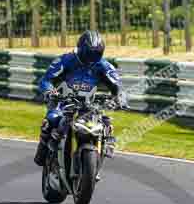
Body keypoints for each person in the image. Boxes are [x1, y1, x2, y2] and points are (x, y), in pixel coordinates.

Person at [34, 30, 128, 166]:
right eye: (88, 54)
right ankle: (42, 152)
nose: (91, 58)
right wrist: (49, 92)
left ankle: (106, 146)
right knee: (52, 119)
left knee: (106, 123)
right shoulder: (65, 60)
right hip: (63, 102)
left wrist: (121, 98)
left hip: (89, 105)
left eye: (95, 54)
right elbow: (46, 80)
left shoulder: (104, 65)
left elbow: (118, 85)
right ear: (80, 49)